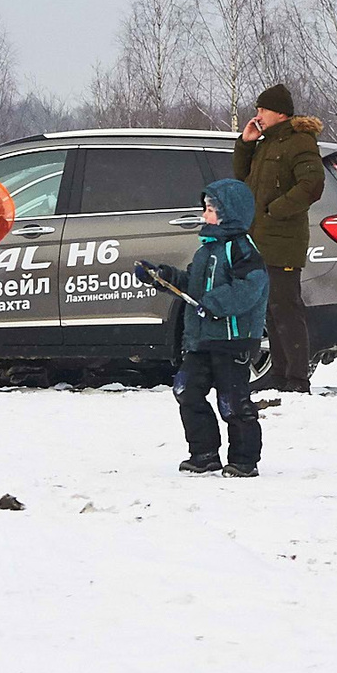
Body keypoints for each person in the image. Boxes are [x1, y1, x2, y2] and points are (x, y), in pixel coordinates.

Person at [137, 177, 269, 477]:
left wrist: (215, 303)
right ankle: (204, 453)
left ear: (229, 212)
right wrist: (162, 277)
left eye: (210, 210)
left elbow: (251, 287)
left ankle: (244, 459)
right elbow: (191, 288)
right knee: (186, 390)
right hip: (201, 339)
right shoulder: (205, 251)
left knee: (232, 403)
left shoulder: (241, 248)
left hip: (232, 338)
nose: (204, 216)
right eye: (205, 209)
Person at [234, 84, 325, 393]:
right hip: (259, 238)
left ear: (280, 113)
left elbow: (312, 184)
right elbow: (241, 178)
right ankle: (280, 373)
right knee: (270, 309)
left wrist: (276, 210)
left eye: (263, 110)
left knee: (287, 308)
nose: (257, 114)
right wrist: (246, 143)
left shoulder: (299, 142)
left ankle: (298, 378)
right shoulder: (265, 143)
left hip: (283, 238)